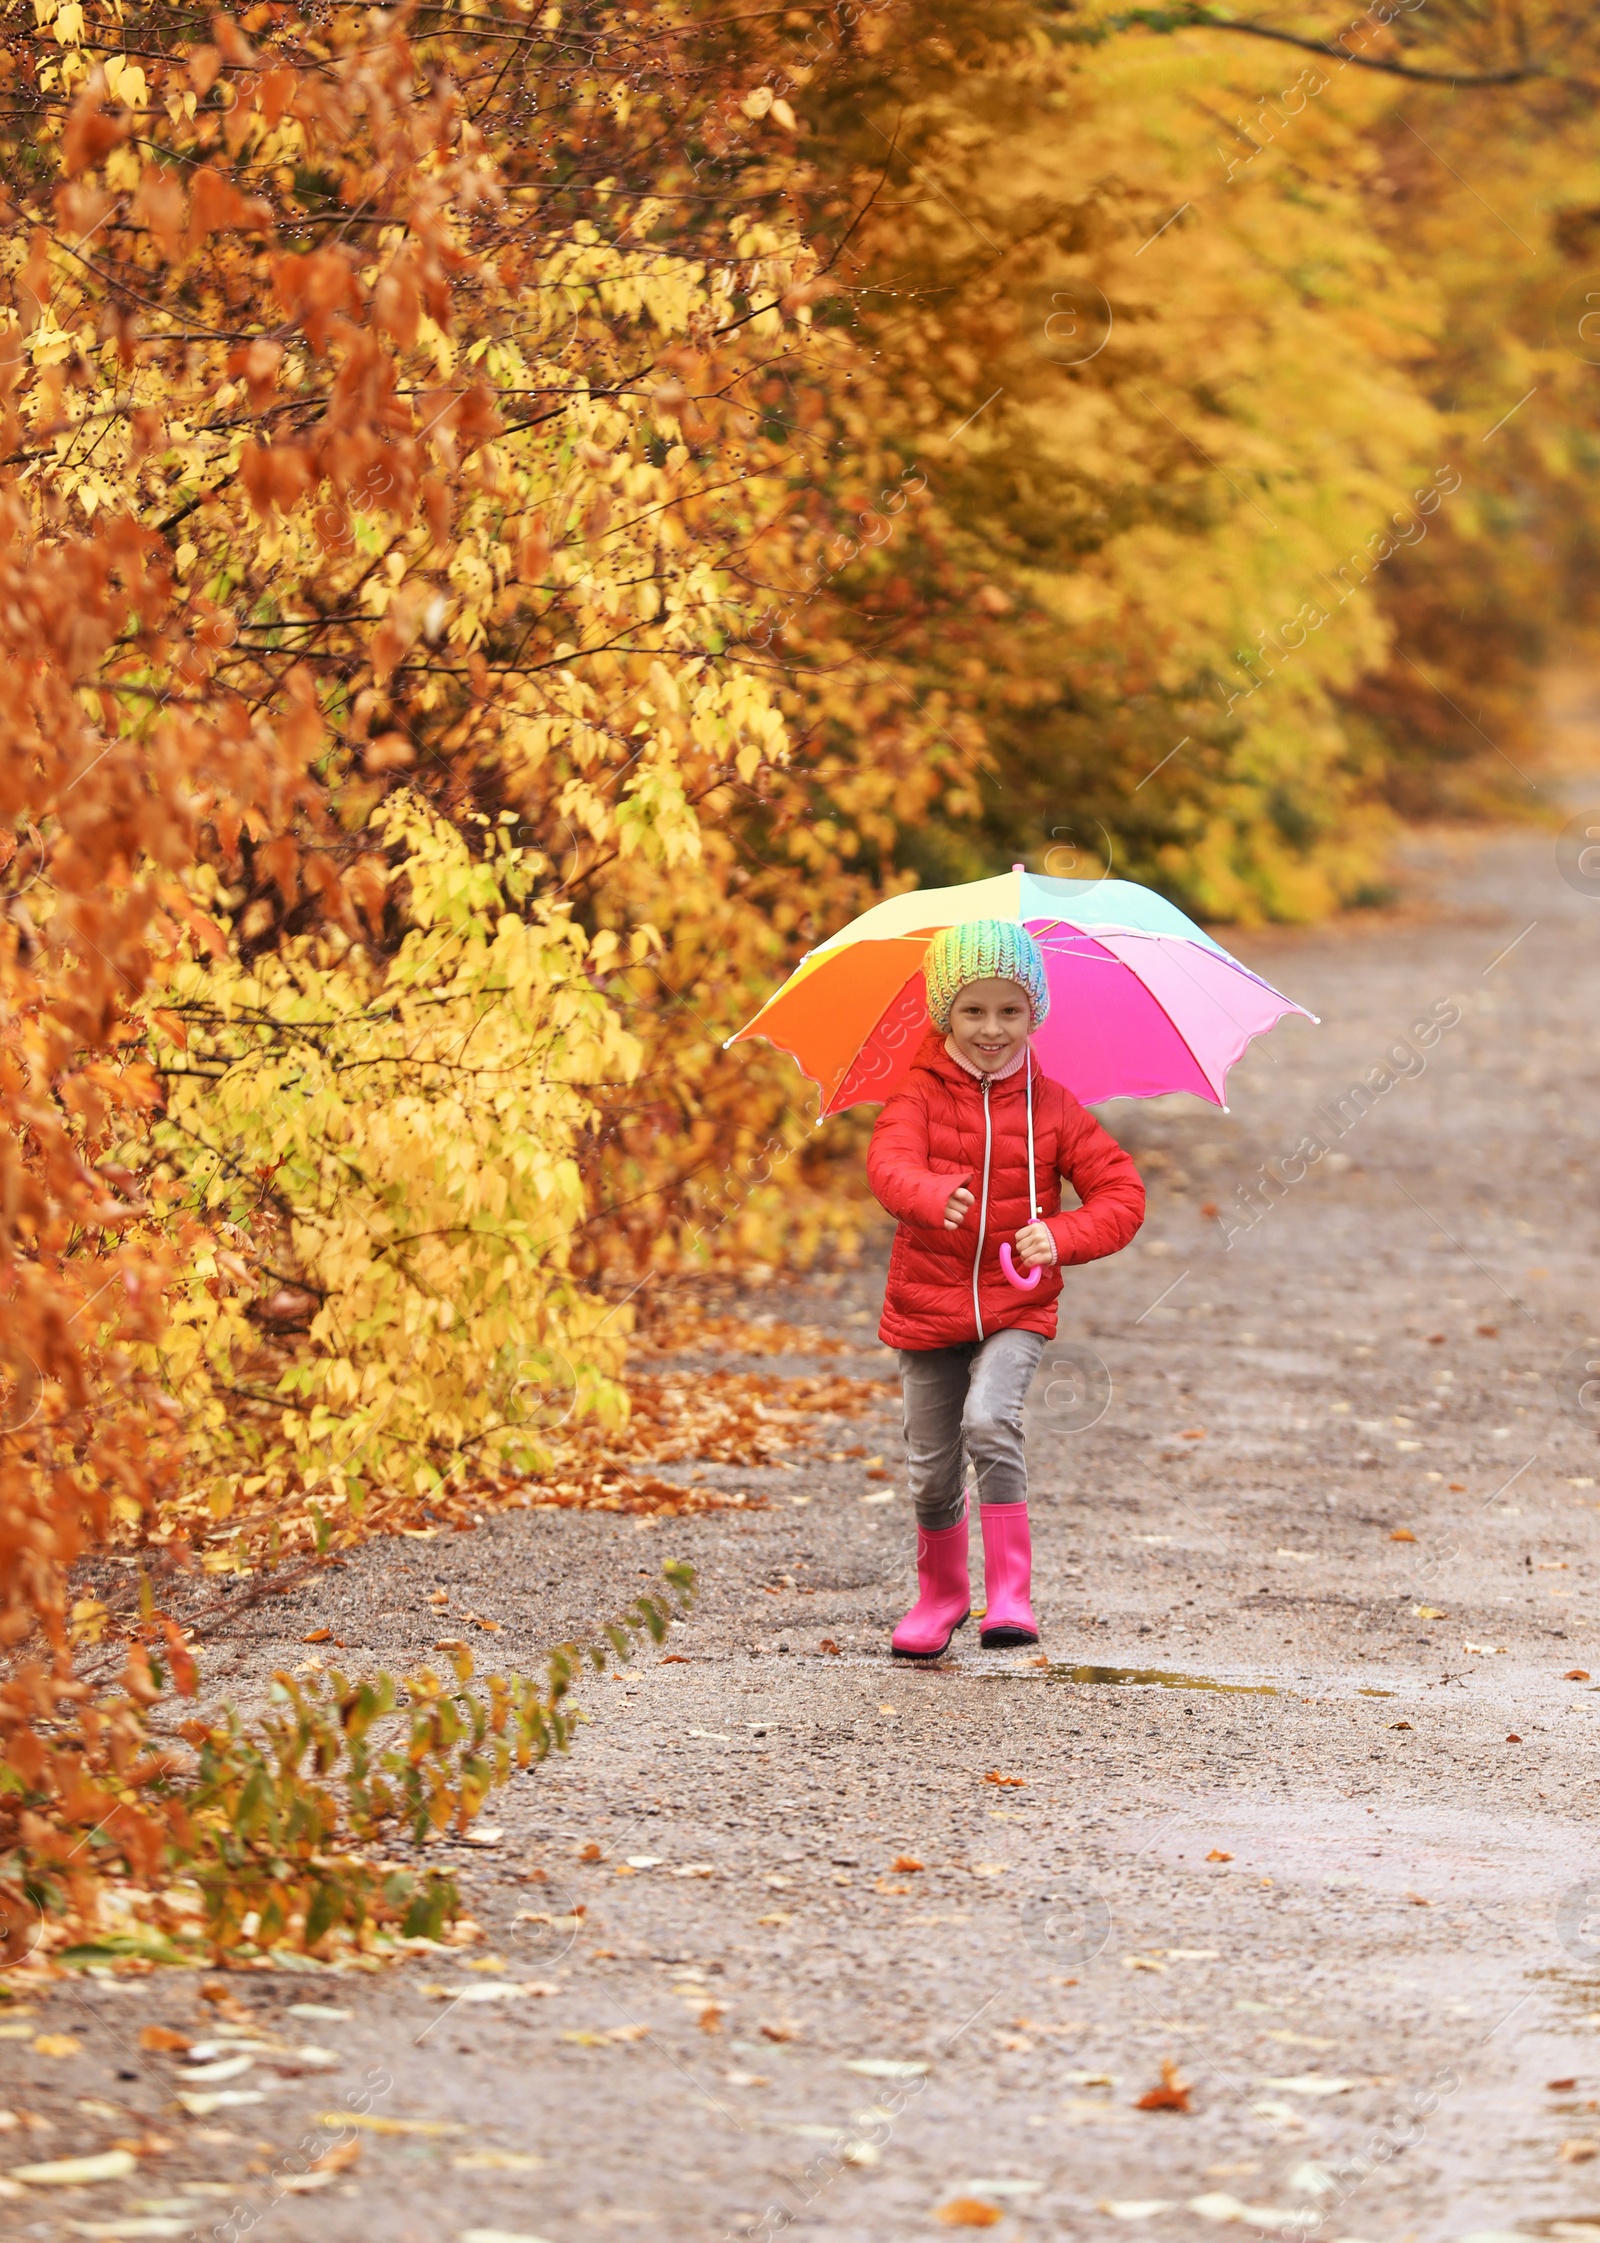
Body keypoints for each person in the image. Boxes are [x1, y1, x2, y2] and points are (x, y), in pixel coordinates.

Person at [866, 920, 1145, 1657]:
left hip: (1017, 1303)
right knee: (930, 1466)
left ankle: (1011, 1591)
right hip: (929, 1303)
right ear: (945, 1013)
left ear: (1035, 1013)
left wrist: (1062, 1234)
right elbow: (888, 1164)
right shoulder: (918, 1096)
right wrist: (930, 1193)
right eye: (974, 1010)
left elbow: (1122, 1192)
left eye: (1010, 1010)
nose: (993, 1028)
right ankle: (942, 1595)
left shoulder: (1051, 1105)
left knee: (990, 1421)